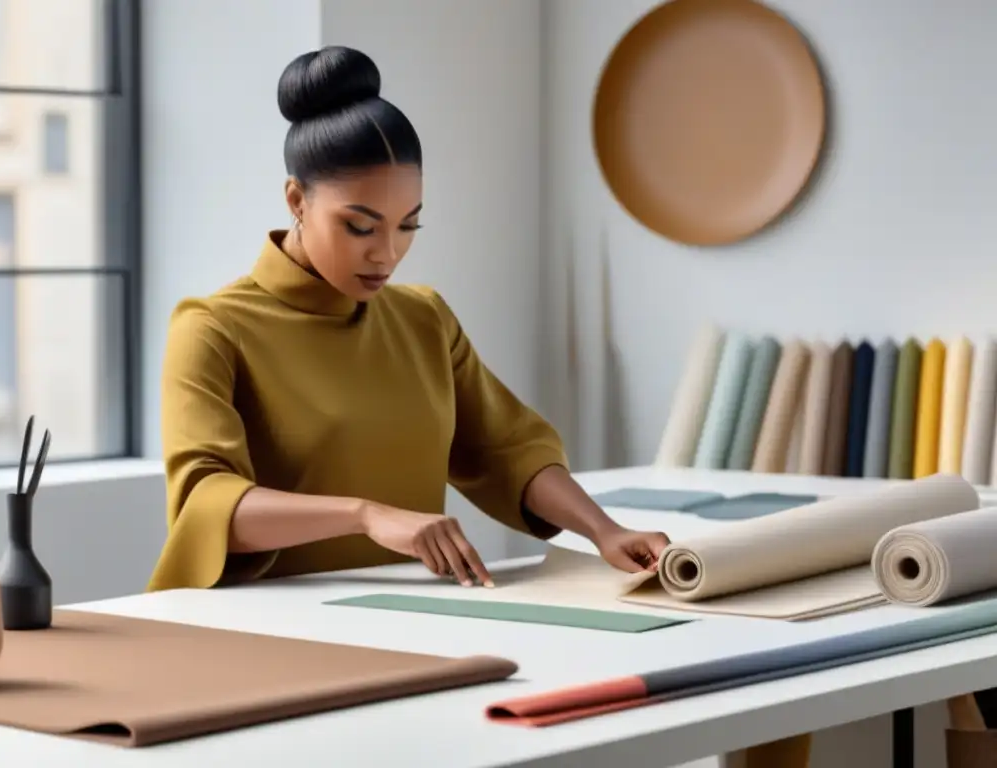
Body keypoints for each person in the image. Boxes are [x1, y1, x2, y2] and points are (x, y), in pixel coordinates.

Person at [146, 45, 809, 767]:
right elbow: (208, 501)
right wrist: (367, 513)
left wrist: (601, 530)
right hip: (263, 644)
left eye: (409, 225)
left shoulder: (422, 318)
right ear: (297, 202)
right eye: (360, 226)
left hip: (408, 630)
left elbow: (504, 447)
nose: (387, 254)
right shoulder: (212, 328)